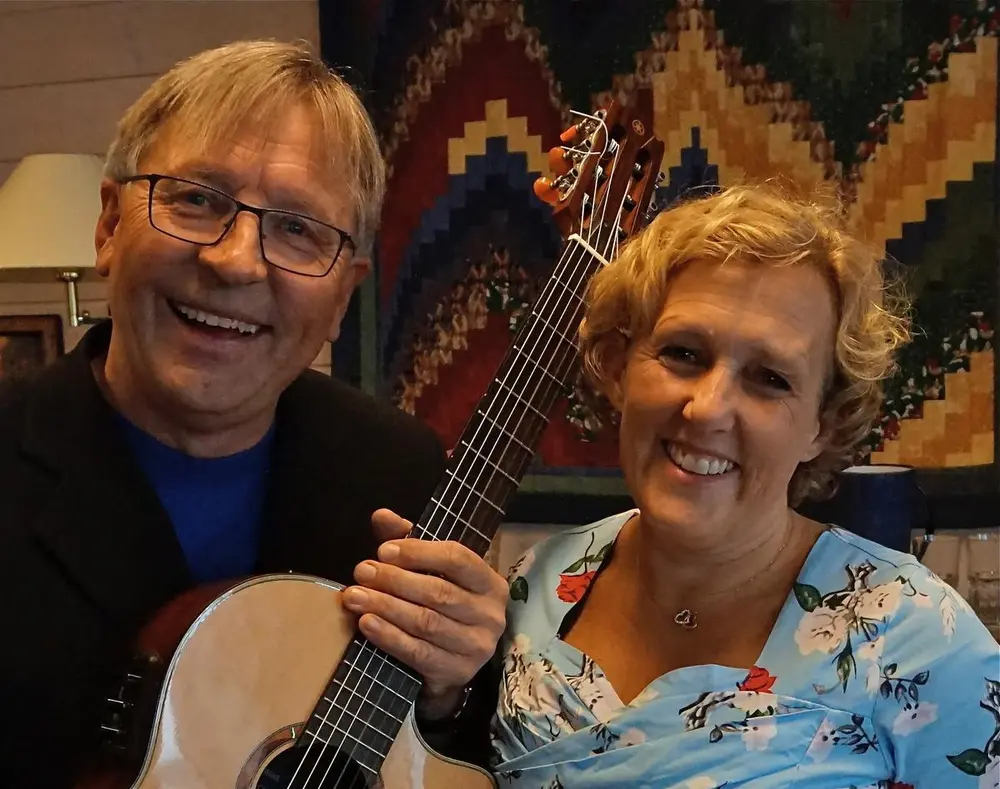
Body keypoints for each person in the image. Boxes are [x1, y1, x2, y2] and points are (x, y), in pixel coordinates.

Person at [0, 41, 507, 789]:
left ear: (344, 294)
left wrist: (447, 687)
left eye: (299, 228)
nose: (236, 261)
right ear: (108, 225)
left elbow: (439, 751)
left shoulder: (399, 472)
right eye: (196, 199)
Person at [490, 183, 1000, 788]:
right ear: (621, 368)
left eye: (770, 378)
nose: (707, 409)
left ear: (823, 425)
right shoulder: (533, 588)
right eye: (683, 353)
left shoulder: (920, 640)